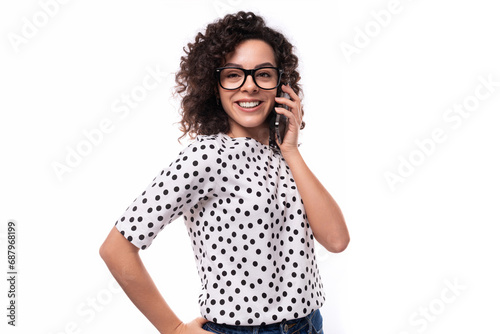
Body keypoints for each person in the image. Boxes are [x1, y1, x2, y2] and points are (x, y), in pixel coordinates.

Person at [99, 11, 349, 334]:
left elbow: (337, 240)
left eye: (263, 74)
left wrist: (290, 150)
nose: (249, 87)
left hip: (309, 325)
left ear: (281, 84)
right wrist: (175, 329)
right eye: (233, 75)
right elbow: (116, 248)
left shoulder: (284, 155)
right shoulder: (206, 156)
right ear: (214, 85)